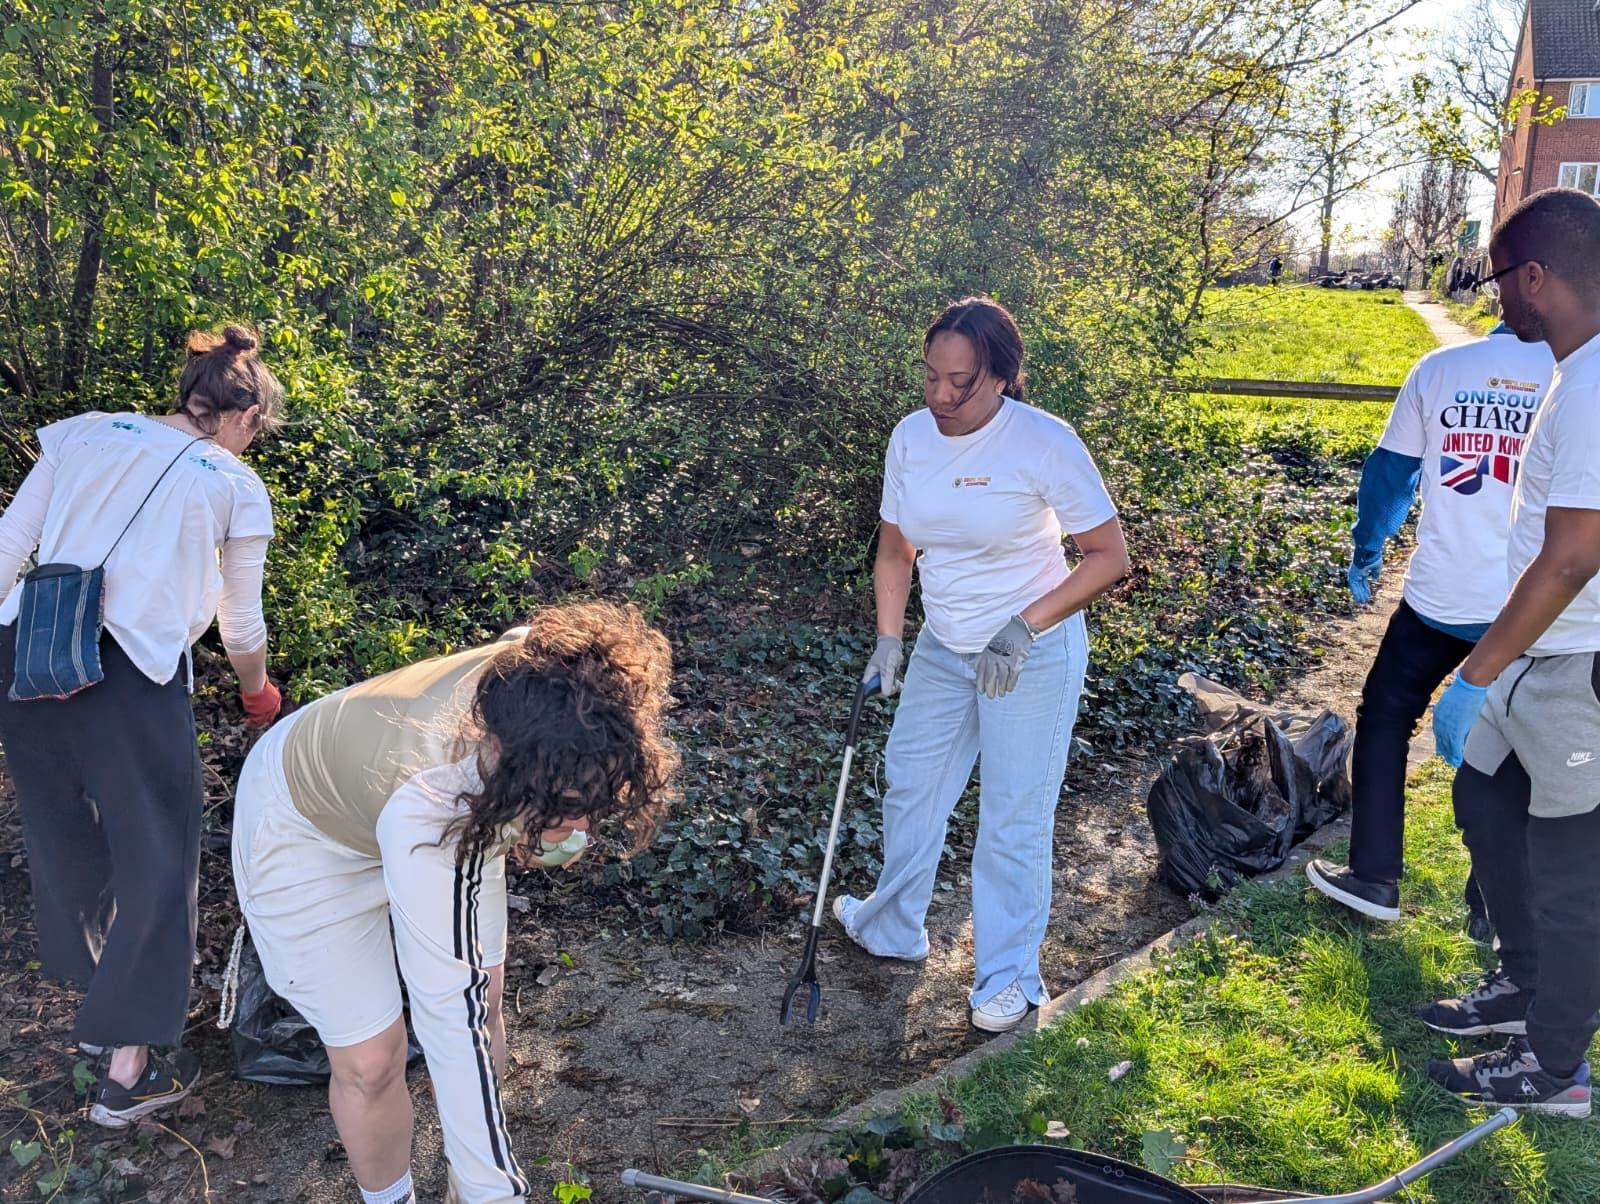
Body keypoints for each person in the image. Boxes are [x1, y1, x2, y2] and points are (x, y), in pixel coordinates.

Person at [231, 602, 678, 1204]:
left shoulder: (552, 681)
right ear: (501, 755)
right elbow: (448, 1016)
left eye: (587, 800)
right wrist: (496, 1190)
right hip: (302, 828)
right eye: (563, 803)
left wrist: (554, 817)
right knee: (372, 1059)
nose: (578, 823)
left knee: (488, 1003)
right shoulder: (434, 804)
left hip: (444, 795)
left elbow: (523, 639)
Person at [0, 325, 284, 1127]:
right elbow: (240, 622)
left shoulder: (86, 433)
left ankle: (101, 1003)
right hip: (127, 674)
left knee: (64, 834)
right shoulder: (232, 482)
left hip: (28, 653)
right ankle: (129, 1071)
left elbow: (11, 543)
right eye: (257, 431)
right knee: (159, 855)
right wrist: (258, 691)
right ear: (245, 415)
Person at [833, 297, 1130, 1034]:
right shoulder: (911, 437)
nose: (940, 396)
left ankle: (1011, 978)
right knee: (911, 783)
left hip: (1030, 650)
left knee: (1011, 816)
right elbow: (896, 549)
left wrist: (1023, 628)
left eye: (959, 382)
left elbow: (1108, 558)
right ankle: (891, 924)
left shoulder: (1043, 443)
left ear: (999, 376)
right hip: (944, 644)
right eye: (930, 376)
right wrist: (890, 638)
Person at [1420, 188, 1600, 1117]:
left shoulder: (1597, 386)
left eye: (1498, 281)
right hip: (1534, 653)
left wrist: (1474, 673)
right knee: (1485, 803)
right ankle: (1522, 984)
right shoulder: (1575, 370)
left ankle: (1556, 1064)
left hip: (1578, 668)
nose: (1496, 300)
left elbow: (1572, 556)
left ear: (1535, 277)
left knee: (1571, 874)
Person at [1305, 324, 1554, 924]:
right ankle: (1491, 905)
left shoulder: (1441, 368)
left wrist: (1368, 548)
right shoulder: (1573, 371)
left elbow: (1391, 475)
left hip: (1443, 597)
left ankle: (1374, 877)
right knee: (1517, 741)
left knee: (1386, 718)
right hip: (1534, 602)